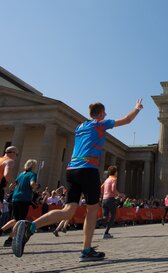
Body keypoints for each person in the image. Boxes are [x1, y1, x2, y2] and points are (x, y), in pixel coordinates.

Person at [12, 99, 143, 261]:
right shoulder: (99, 124)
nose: (106, 115)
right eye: (105, 113)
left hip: (72, 170)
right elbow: (127, 120)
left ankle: (30, 226)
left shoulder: (80, 127)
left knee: (67, 211)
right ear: (101, 114)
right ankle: (86, 250)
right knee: (92, 210)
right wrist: (136, 109)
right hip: (88, 169)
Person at [0, 159, 38, 246]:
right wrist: (36, 186)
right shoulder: (32, 174)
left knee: (16, 219)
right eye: (35, 165)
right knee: (20, 221)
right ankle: (9, 239)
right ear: (32, 166)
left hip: (15, 198)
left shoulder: (21, 174)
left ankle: (2, 231)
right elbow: (32, 184)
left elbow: (11, 186)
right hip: (24, 199)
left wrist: (18, 189)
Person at [100, 165, 124, 239]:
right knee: (113, 216)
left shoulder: (107, 179)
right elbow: (113, 189)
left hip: (104, 200)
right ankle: (106, 233)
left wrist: (104, 194)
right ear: (115, 172)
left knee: (105, 217)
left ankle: (94, 222)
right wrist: (120, 195)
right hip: (110, 199)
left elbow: (101, 188)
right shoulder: (114, 179)